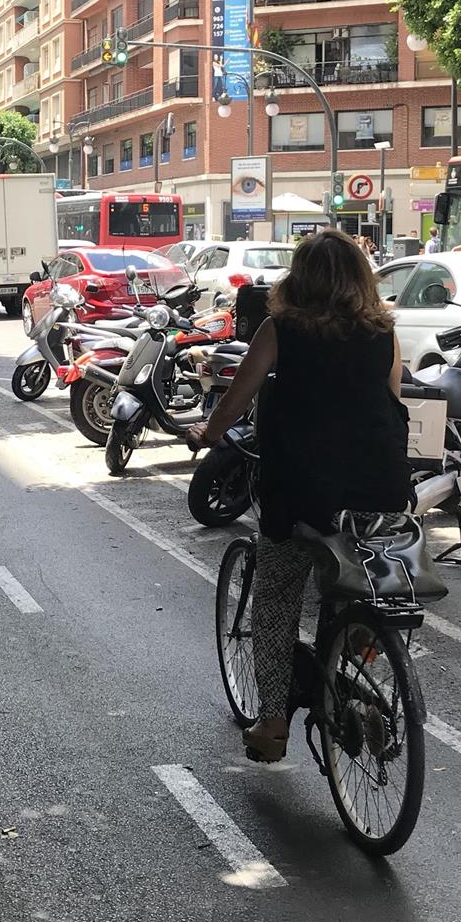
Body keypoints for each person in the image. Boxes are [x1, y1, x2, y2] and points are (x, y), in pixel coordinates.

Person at [188, 230, 412, 763]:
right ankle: (355, 650)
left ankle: (271, 725)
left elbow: (237, 396)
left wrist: (208, 434)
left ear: (299, 277)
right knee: (359, 583)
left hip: (301, 490)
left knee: (276, 598)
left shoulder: (281, 329)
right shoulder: (384, 333)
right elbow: (391, 402)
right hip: (378, 488)